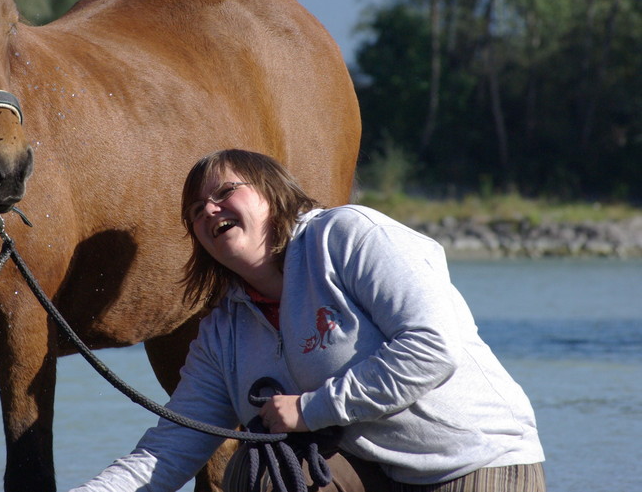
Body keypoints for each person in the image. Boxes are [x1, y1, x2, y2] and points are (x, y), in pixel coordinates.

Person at [71, 149, 545, 492]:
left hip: (474, 462)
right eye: (196, 211)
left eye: (224, 192)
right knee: (261, 473)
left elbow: (432, 346)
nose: (208, 210)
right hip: (370, 474)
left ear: (274, 196)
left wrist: (311, 409)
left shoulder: (348, 235)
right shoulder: (222, 332)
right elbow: (169, 450)